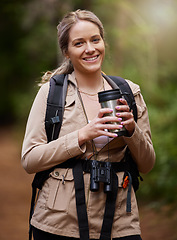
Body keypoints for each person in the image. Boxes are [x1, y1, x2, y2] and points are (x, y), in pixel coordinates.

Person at [21, 9, 155, 240]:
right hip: (59, 221)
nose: (90, 49)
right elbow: (29, 159)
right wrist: (82, 135)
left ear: (103, 42)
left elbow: (147, 164)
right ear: (66, 52)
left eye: (95, 39)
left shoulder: (129, 92)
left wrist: (133, 131)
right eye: (79, 43)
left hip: (120, 221)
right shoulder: (51, 93)